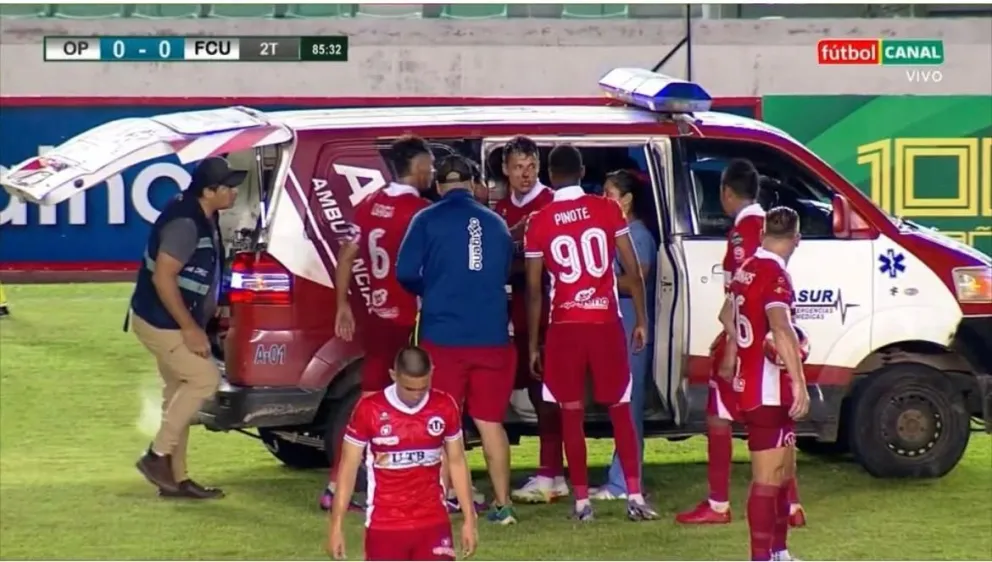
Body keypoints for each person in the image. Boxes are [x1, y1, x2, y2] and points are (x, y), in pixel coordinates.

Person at [523, 144, 657, 522]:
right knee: (619, 410)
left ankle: (582, 502)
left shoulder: (540, 220)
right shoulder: (607, 209)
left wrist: (534, 343)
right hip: (605, 323)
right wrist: (642, 320)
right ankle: (633, 493)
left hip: (565, 325)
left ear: (550, 175)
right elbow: (632, 269)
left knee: (570, 412)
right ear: (582, 172)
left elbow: (534, 290)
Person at [676, 159, 806, 526]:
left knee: (722, 417)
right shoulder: (760, 226)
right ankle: (790, 506)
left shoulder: (745, 232)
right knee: (779, 423)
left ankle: (720, 504)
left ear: (726, 193)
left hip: (748, 346)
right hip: (758, 343)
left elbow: (744, 296)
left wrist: (731, 346)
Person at [396, 154, 518, 525]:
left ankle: (443, 499)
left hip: (444, 336)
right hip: (492, 336)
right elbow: (502, 270)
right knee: (490, 422)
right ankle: (504, 505)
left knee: (443, 421)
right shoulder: (496, 223)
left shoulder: (426, 218)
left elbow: (405, 272)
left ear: (438, 186)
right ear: (472, 184)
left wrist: (431, 288)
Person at [321, 135, 434, 511]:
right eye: (429, 167)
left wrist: (342, 306)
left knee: (377, 401)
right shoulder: (419, 211)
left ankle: (355, 482)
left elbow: (347, 255)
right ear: (418, 169)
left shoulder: (370, 204)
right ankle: (343, 485)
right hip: (406, 320)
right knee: (382, 406)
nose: (432, 173)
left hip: (375, 315)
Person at [128, 156, 243, 499]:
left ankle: (175, 480)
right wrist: (191, 328)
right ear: (209, 191)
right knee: (204, 379)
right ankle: (156, 456)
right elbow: (164, 277)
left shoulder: (201, 212)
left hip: (162, 318)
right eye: (228, 187)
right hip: (162, 323)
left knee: (177, 393)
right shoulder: (186, 224)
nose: (234, 193)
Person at [326, 346, 478, 561]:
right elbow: (348, 468)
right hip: (385, 525)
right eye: (409, 388)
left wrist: (469, 520)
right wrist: (336, 526)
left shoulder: (444, 406)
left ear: (432, 373)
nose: (417, 395)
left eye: (423, 388)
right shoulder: (369, 410)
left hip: (433, 523)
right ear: (393, 376)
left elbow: (457, 462)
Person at [728, 206, 810, 561]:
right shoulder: (775, 274)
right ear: (797, 238)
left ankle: (779, 552)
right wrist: (799, 382)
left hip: (757, 384)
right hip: (767, 390)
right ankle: (761, 556)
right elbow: (780, 326)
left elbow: (725, 315)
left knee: (782, 472)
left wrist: (744, 351)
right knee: (766, 479)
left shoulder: (746, 268)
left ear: (762, 234)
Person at [491, 137, 567, 505]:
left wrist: (515, 263)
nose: (525, 174)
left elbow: (550, 264)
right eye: (518, 167)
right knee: (498, 394)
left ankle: (552, 472)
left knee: (546, 395)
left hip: (548, 313)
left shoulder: (551, 204)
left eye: (531, 166)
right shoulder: (500, 211)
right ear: (506, 169)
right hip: (508, 316)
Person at [590, 170, 658, 500]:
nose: (603, 199)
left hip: (633, 329)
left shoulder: (638, 235)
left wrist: (594, 279)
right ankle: (620, 477)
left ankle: (623, 482)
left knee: (629, 406)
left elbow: (636, 280)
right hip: (619, 326)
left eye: (608, 192)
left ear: (627, 200)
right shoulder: (617, 232)